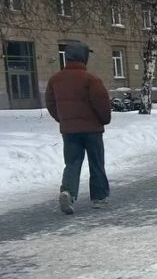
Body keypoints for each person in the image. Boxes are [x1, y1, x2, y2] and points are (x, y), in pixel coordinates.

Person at [46, 42, 112, 215]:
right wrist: (104, 120)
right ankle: (99, 197)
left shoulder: (55, 80)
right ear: (84, 57)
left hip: (69, 130)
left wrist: (63, 119)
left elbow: (51, 103)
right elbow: (102, 103)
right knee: (96, 162)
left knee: (72, 162)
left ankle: (67, 192)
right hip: (92, 130)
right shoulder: (91, 79)